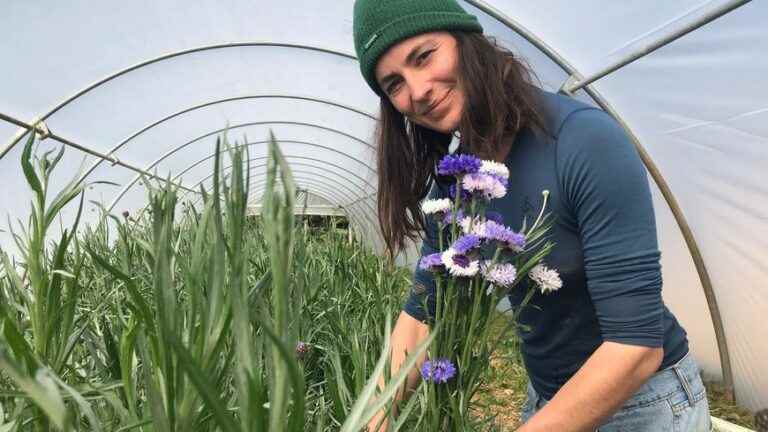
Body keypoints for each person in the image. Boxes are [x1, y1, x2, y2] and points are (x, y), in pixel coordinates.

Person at [352, 0, 712, 431]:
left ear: (466, 43)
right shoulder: (458, 183)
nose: (418, 90)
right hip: (551, 398)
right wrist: (374, 414)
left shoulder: (583, 142)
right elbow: (422, 314)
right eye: (394, 84)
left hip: (644, 399)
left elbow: (636, 347)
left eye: (424, 56)